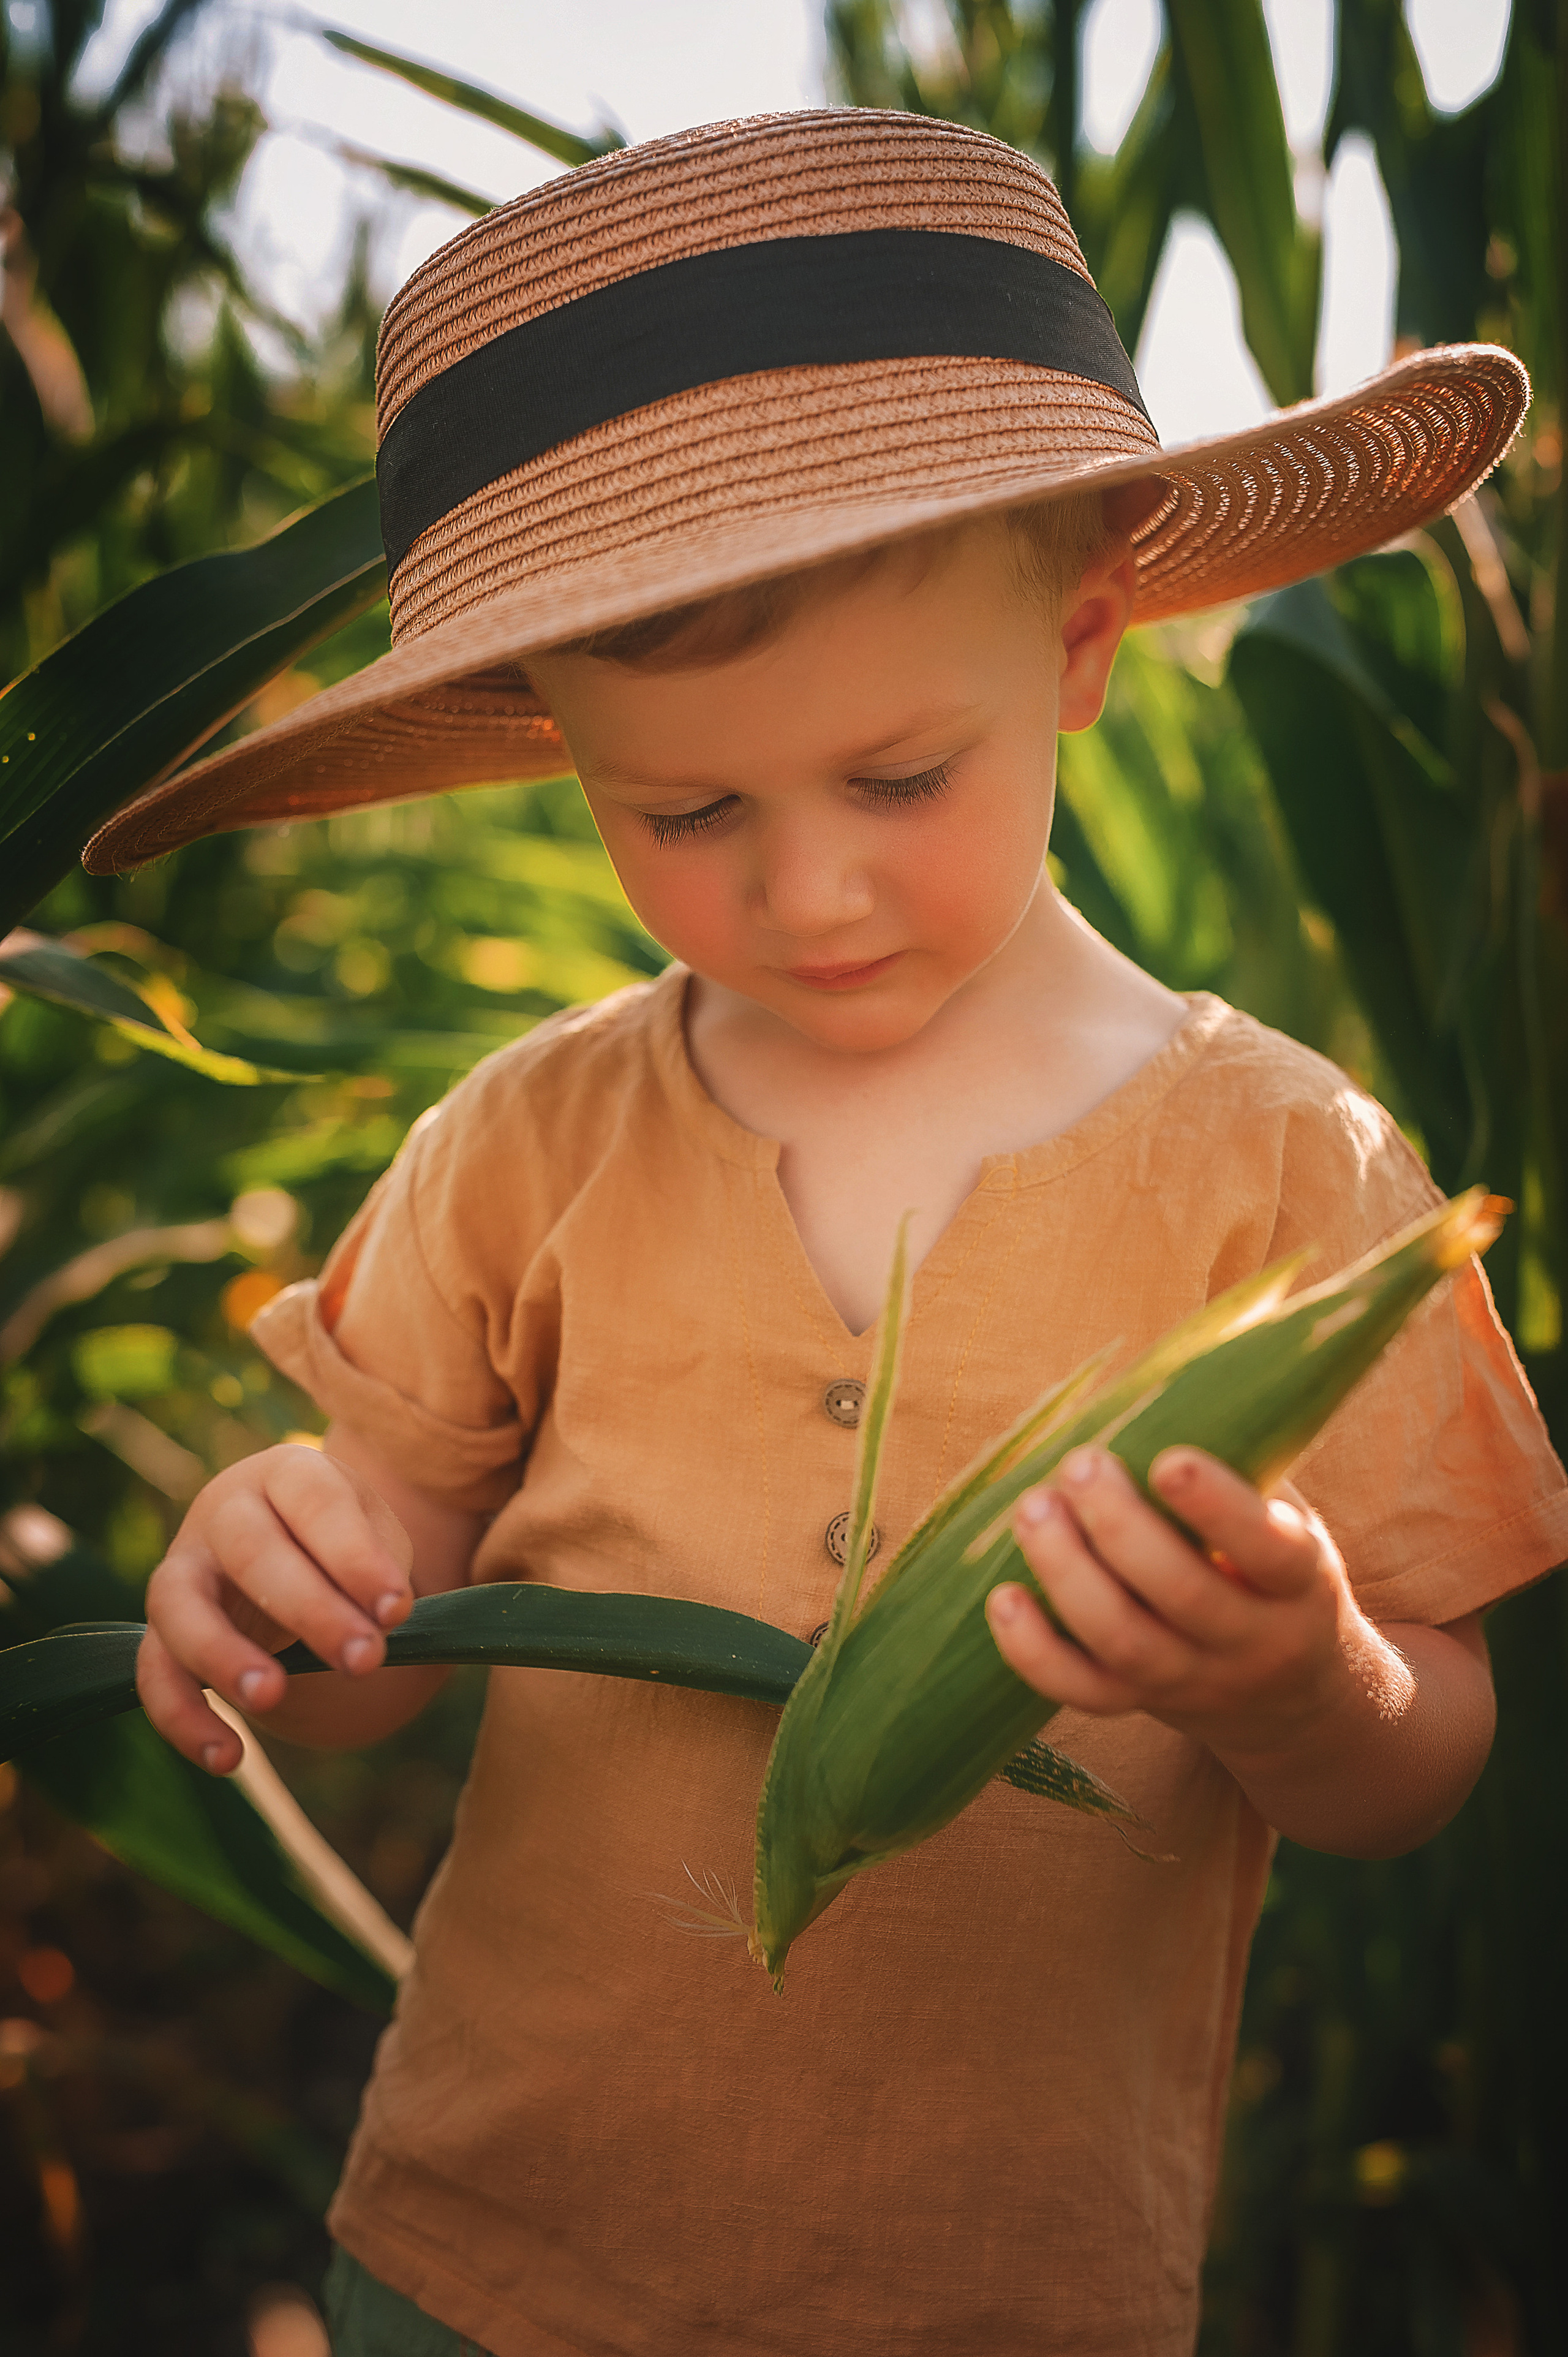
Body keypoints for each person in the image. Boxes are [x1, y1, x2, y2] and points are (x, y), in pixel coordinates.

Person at [96, 110, 1566, 2357]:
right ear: (558, 748)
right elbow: (378, 1636)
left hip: (996, 2289)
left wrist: (1306, 1678)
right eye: (681, 812)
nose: (809, 894)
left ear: (1080, 647)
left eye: (899, 778)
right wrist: (286, 1575)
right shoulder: (533, 1136)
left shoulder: (1290, 1172)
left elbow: (1424, 1751)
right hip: (482, 2253)